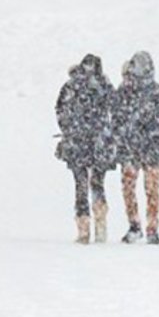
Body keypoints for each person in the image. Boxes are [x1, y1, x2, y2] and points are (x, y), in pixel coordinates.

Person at [112, 51, 159, 245]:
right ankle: (147, 227)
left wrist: (129, 138)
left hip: (139, 150)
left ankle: (140, 226)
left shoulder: (129, 93)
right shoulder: (156, 93)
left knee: (134, 189)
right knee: (149, 191)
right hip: (146, 151)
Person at [56, 54, 116, 244]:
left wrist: (69, 130)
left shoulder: (71, 86)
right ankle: (100, 225)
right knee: (98, 183)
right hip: (100, 144)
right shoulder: (105, 87)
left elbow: (60, 110)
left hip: (77, 143)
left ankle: (83, 230)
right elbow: (116, 112)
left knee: (80, 186)